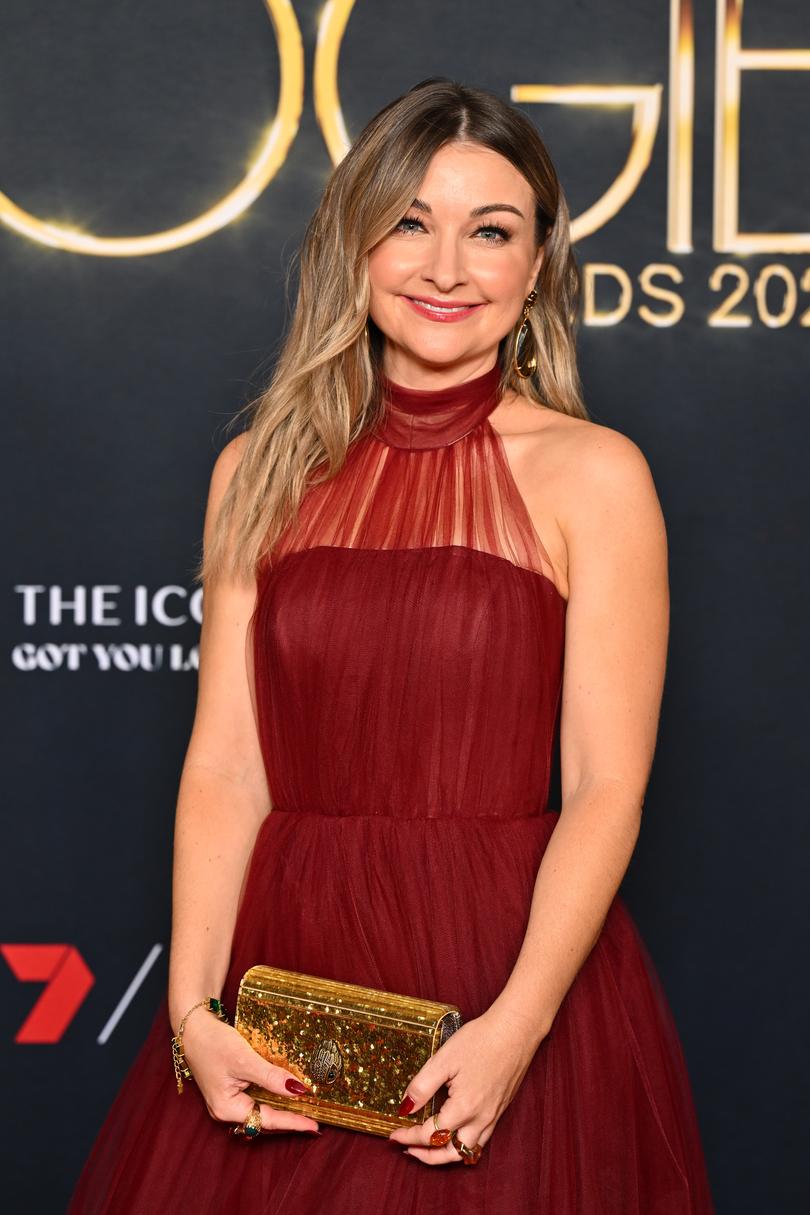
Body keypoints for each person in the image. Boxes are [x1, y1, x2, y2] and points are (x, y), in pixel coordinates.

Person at [68, 77, 715, 1212]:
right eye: (411, 221)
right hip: (289, 981)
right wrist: (191, 1015)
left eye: (492, 231)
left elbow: (606, 787)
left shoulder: (594, 477)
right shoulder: (256, 473)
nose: (447, 267)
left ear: (537, 266)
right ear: (354, 243)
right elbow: (225, 769)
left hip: (504, 977)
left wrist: (515, 1030)